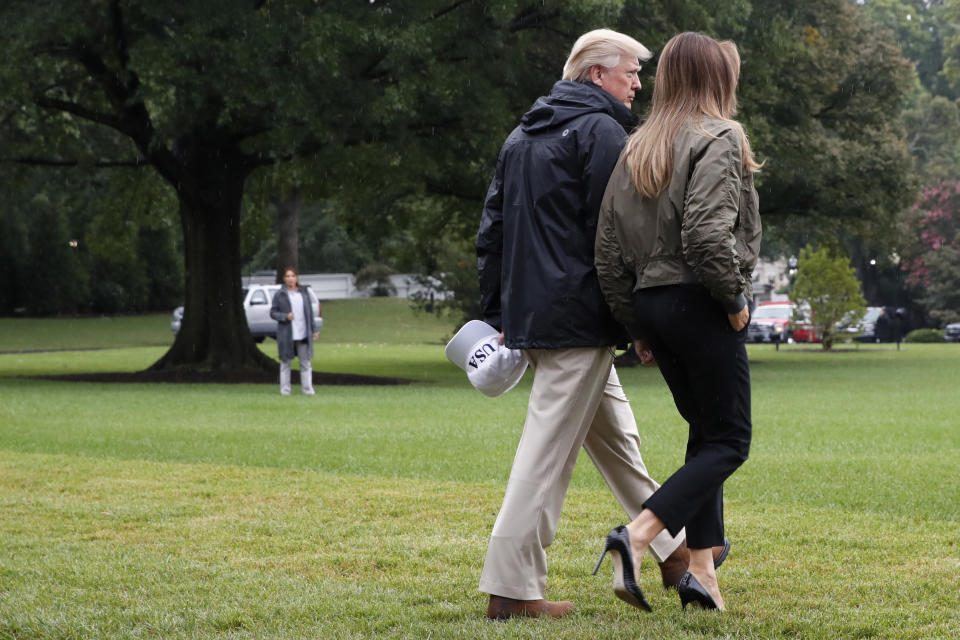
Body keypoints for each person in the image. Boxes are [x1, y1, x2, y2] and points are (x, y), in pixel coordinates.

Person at [475, 28, 725, 621]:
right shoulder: (604, 131)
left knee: (619, 443)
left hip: (536, 320)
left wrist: (496, 315)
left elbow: (493, 232)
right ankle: (511, 591)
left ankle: (670, 551)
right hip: (579, 322)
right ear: (595, 75)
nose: (639, 83)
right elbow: (618, 237)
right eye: (630, 73)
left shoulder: (521, 134)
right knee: (543, 458)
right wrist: (640, 319)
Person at [594, 32, 762, 612]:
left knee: (707, 434)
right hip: (700, 300)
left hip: (653, 306)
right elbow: (708, 234)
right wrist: (735, 301)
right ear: (717, 79)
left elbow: (608, 251)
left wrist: (637, 326)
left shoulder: (636, 146)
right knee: (732, 441)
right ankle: (637, 536)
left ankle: (701, 574)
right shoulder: (720, 136)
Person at [270, 267, 318, 396]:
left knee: (305, 363)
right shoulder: (280, 294)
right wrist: (285, 316)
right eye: (287, 276)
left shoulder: (304, 293)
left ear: (296, 278)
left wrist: (314, 330)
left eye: (292, 276)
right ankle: (285, 391)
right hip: (287, 334)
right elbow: (273, 313)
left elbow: (310, 314)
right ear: (284, 279)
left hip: (303, 334)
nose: (290, 279)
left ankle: (308, 390)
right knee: (286, 364)